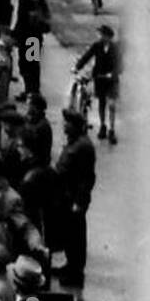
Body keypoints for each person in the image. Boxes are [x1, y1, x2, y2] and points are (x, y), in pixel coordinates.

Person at [53, 109, 96, 287]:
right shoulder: (75, 142)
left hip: (74, 200)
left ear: (75, 126)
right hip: (66, 197)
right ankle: (70, 266)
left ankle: (76, 274)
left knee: (76, 237)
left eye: (67, 123)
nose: (64, 126)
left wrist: (79, 202)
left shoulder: (83, 147)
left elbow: (87, 178)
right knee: (70, 236)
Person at [75, 24, 120, 143]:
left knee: (111, 104)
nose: (99, 36)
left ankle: (112, 129)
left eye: (102, 34)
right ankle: (103, 125)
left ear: (108, 36)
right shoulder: (97, 46)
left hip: (111, 80)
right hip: (100, 78)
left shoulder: (115, 48)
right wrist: (77, 67)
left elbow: (119, 64)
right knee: (101, 103)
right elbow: (87, 56)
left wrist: (113, 73)